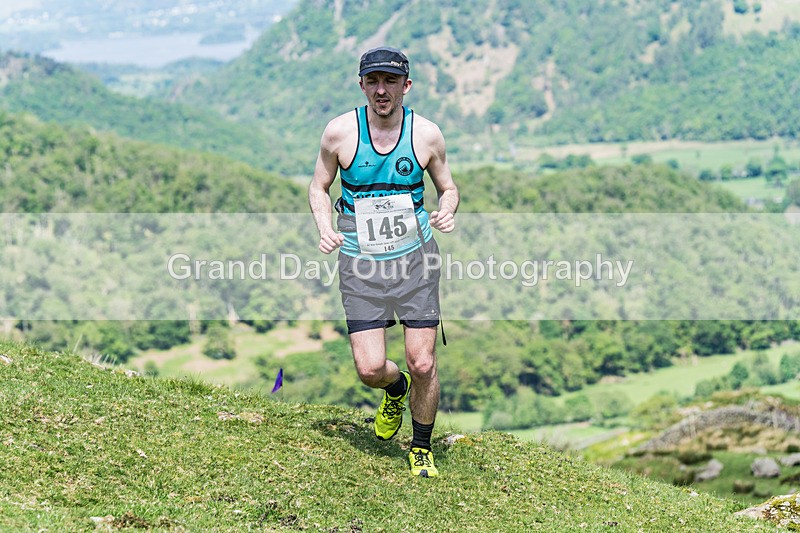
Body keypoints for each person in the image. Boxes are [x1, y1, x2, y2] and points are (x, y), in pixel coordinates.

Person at [308, 46, 459, 477]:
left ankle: (421, 447)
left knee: (424, 362)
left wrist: (448, 209)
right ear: (361, 85)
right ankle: (395, 389)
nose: (381, 89)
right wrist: (324, 227)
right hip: (361, 265)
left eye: (390, 81)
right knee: (371, 368)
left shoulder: (426, 135)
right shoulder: (339, 133)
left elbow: (448, 187)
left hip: (416, 263)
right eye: (372, 81)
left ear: (406, 86)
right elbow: (319, 187)